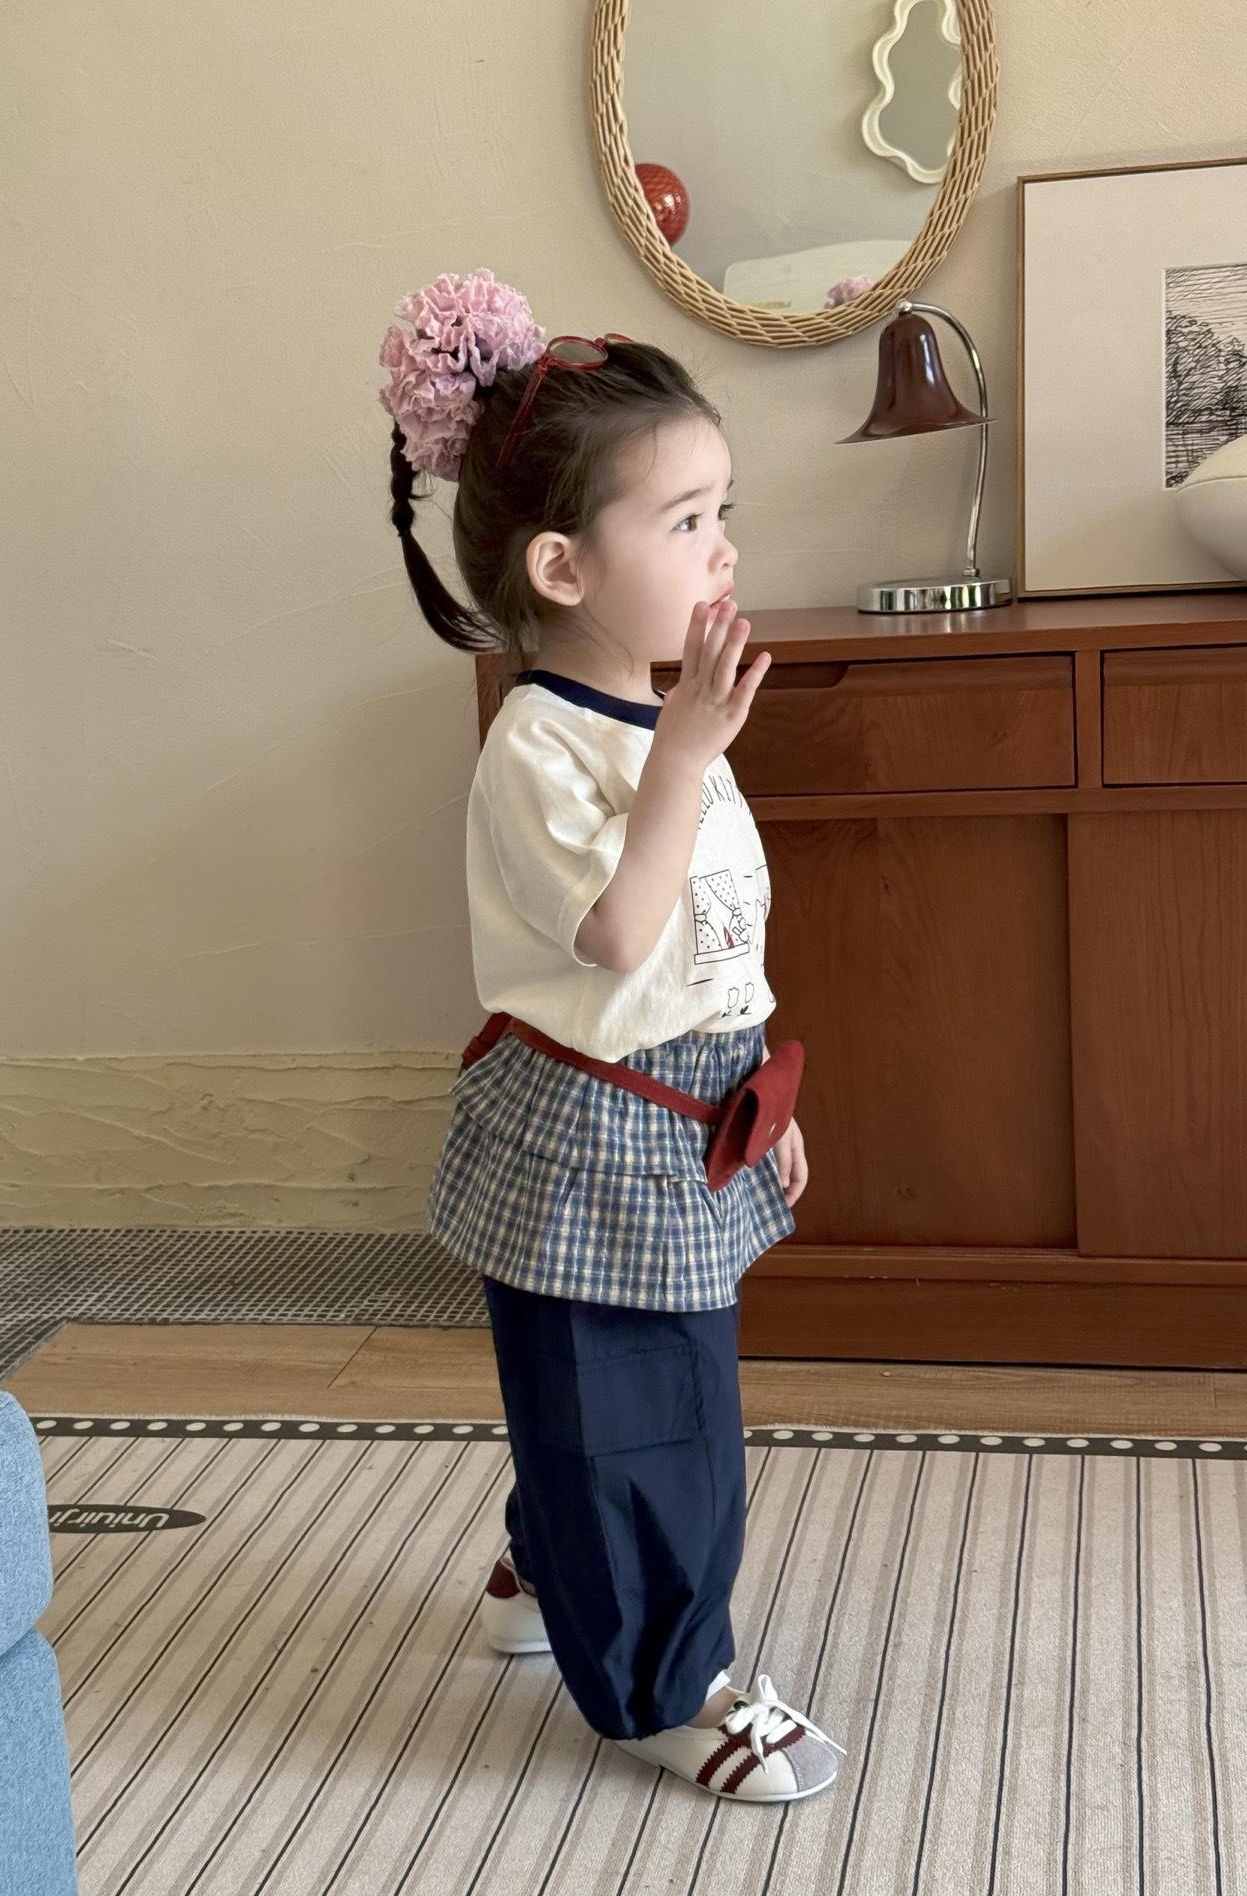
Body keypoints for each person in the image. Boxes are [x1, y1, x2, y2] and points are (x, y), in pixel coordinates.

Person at [378, 268, 847, 1804]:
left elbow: (716, 944)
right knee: (645, 1420)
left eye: (724, 511)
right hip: (592, 1132)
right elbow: (618, 938)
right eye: (688, 519)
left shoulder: (661, 716)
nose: (726, 549)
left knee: (632, 1402)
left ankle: (545, 1564)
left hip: (682, 1114)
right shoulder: (540, 744)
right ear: (564, 566)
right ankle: (659, 1688)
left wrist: (766, 1100)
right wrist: (688, 759)